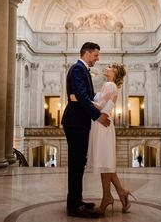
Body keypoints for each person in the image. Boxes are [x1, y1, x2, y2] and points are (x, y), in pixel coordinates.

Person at [61, 42, 110, 218]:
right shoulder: (77, 69)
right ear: (87, 53)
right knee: (76, 163)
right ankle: (74, 206)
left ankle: (76, 200)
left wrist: (99, 105)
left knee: (78, 162)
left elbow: (84, 97)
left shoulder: (82, 70)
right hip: (75, 122)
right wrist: (98, 116)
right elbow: (81, 96)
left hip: (79, 120)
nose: (97, 58)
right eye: (96, 55)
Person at [86, 63, 137, 214]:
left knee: (104, 163)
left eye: (109, 66)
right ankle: (121, 192)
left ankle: (107, 197)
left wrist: (81, 100)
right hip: (101, 124)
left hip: (102, 124)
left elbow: (100, 106)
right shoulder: (109, 85)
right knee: (106, 163)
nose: (106, 68)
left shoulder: (110, 85)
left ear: (114, 72)